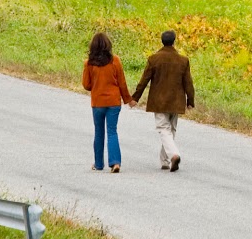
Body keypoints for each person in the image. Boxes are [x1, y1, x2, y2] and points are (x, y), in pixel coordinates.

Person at [132, 29, 194, 172]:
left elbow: (144, 80)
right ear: (174, 41)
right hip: (176, 101)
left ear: (162, 41)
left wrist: (135, 97)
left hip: (159, 101)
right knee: (171, 130)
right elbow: (188, 83)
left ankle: (173, 155)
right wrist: (190, 100)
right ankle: (165, 161)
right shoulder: (183, 60)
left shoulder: (154, 59)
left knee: (163, 129)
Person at [82, 31, 132, 173]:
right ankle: (115, 162)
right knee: (112, 131)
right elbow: (122, 83)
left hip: (98, 102)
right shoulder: (115, 60)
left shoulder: (89, 63)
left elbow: (86, 85)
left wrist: (96, 84)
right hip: (113, 102)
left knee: (99, 132)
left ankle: (98, 164)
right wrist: (128, 99)